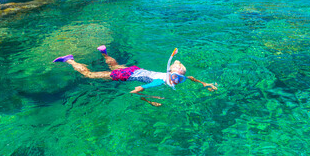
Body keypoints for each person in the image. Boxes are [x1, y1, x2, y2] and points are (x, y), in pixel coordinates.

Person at [53, 45, 217, 106]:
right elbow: (138, 90)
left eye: (180, 79)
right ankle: (70, 60)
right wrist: (149, 99)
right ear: (170, 73)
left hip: (135, 70)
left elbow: (191, 78)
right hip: (127, 75)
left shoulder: (175, 77)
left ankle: (104, 52)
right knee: (89, 75)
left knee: (116, 66)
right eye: (177, 77)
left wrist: (204, 83)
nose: (178, 81)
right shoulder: (161, 81)